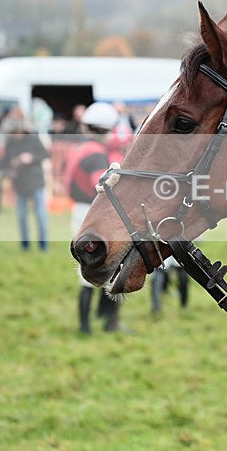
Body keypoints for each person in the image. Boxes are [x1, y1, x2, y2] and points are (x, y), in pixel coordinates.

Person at [63, 102, 127, 333]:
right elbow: (100, 188)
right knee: (108, 267)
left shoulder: (77, 148)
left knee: (88, 268)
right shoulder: (96, 154)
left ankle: (89, 324)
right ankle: (101, 324)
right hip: (92, 215)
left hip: (78, 211)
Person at [2, 118, 50, 251]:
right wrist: (13, 162)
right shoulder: (10, 143)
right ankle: (25, 246)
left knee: (40, 216)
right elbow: (4, 162)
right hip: (20, 184)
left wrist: (31, 158)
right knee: (22, 217)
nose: (16, 135)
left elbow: (45, 154)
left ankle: (43, 245)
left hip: (36, 183)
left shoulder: (33, 139)